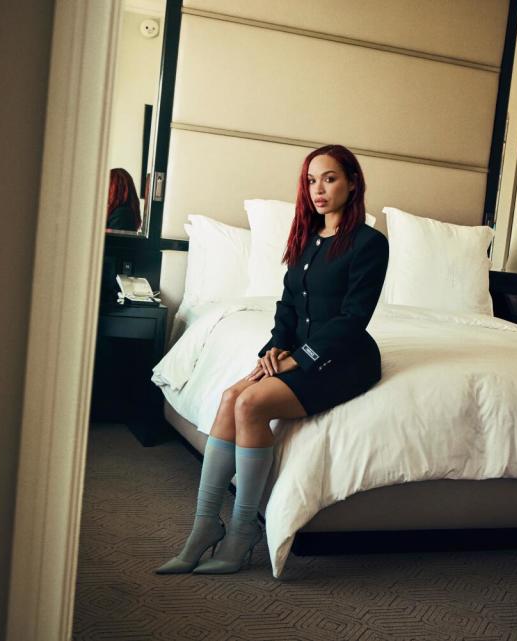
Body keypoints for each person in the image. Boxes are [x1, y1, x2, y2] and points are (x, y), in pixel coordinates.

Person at [155, 144, 389, 575]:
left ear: (352, 182)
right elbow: (287, 307)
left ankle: (241, 536)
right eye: (311, 181)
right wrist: (273, 351)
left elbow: (354, 318)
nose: (318, 189)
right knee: (230, 396)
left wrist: (300, 358)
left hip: (345, 358)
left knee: (250, 404)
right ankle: (204, 527)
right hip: (297, 352)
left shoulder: (369, 244)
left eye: (330, 178)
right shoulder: (305, 237)